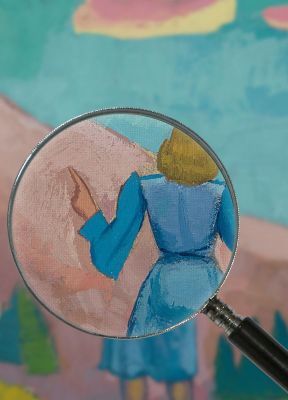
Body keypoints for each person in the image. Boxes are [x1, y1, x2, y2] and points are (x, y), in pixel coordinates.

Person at [69, 127, 235, 400]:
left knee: (134, 359)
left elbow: (111, 251)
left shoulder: (145, 185)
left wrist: (89, 213)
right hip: (206, 283)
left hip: (162, 284)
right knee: (179, 368)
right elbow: (234, 239)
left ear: (170, 147)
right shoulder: (220, 192)